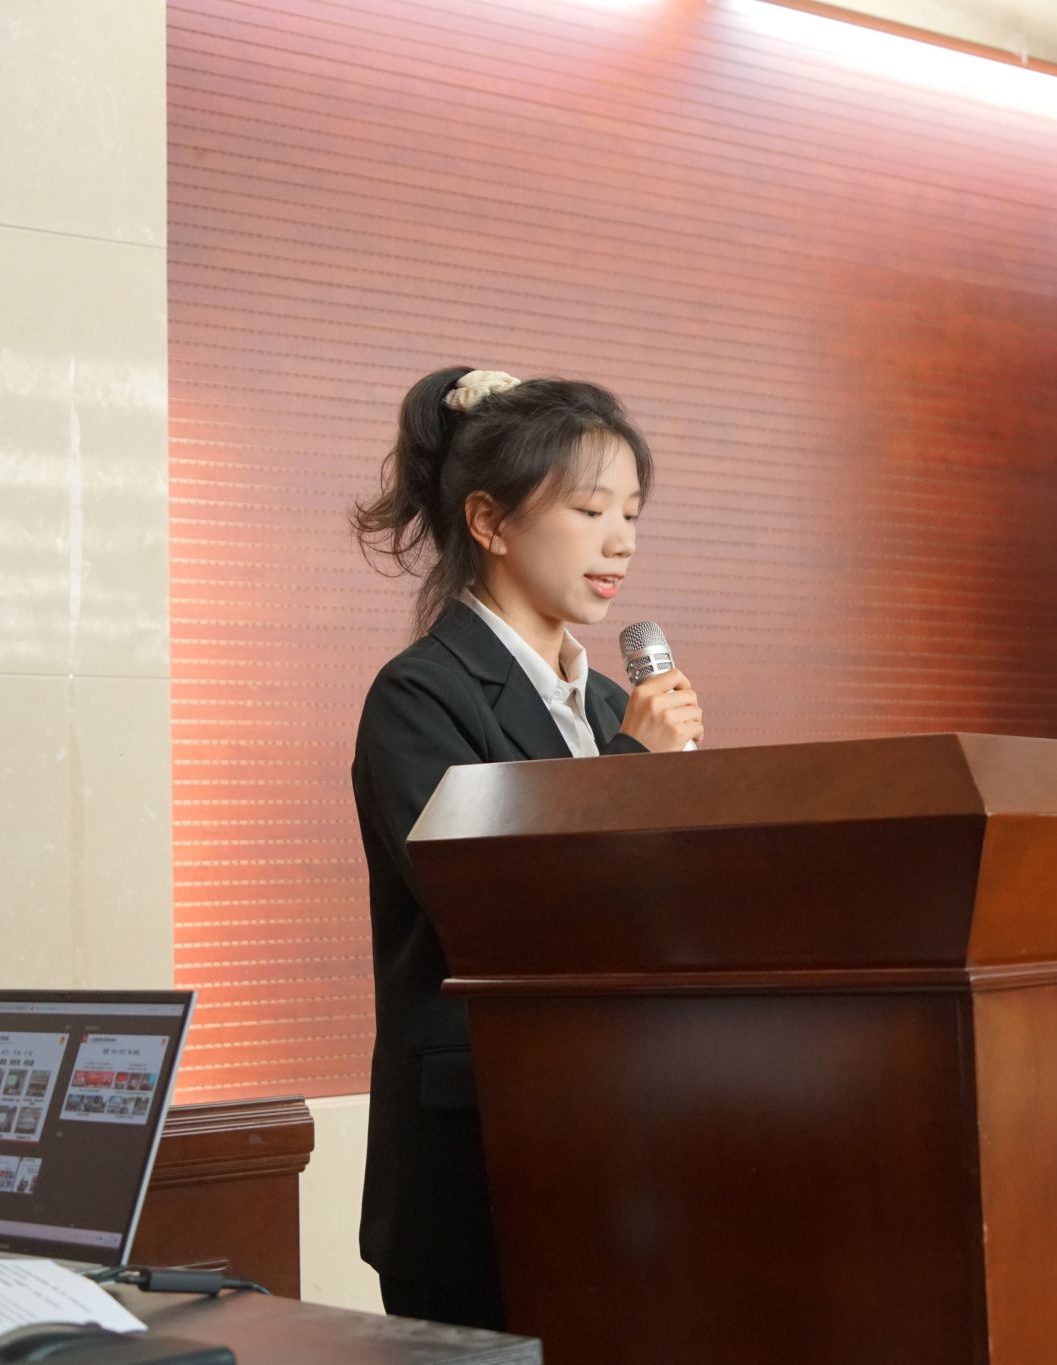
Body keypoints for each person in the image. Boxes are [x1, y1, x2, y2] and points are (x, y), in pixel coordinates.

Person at [347, 366, 705, 1330]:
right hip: (478, 1175)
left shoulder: (607, 703)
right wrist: (633, 765)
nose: (621, 541)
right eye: (590, 510)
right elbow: (497, 912)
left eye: (631, 513)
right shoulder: (421, 697)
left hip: (621, 1154)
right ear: (490, 522)